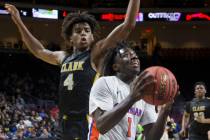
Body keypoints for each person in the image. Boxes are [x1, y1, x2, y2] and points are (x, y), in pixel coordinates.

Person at [4, 0, 140, 139]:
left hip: (86, 124)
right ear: (70, 39)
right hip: (64, 125)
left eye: (87, 31)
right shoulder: (63, 57)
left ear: (92, 37)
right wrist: (18, 22)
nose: (83, 34)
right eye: (78, 31)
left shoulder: (95, 55)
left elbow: (127, 26)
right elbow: (39, 50)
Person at [89, 42, 174, 139]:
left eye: (135, 55)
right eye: (126, 55)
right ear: (115, 67)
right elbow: (101, 126)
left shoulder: (145, 91)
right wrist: (132, 98)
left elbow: (151, 137)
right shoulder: (104, 82)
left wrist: (164, 110)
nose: (134, 58)